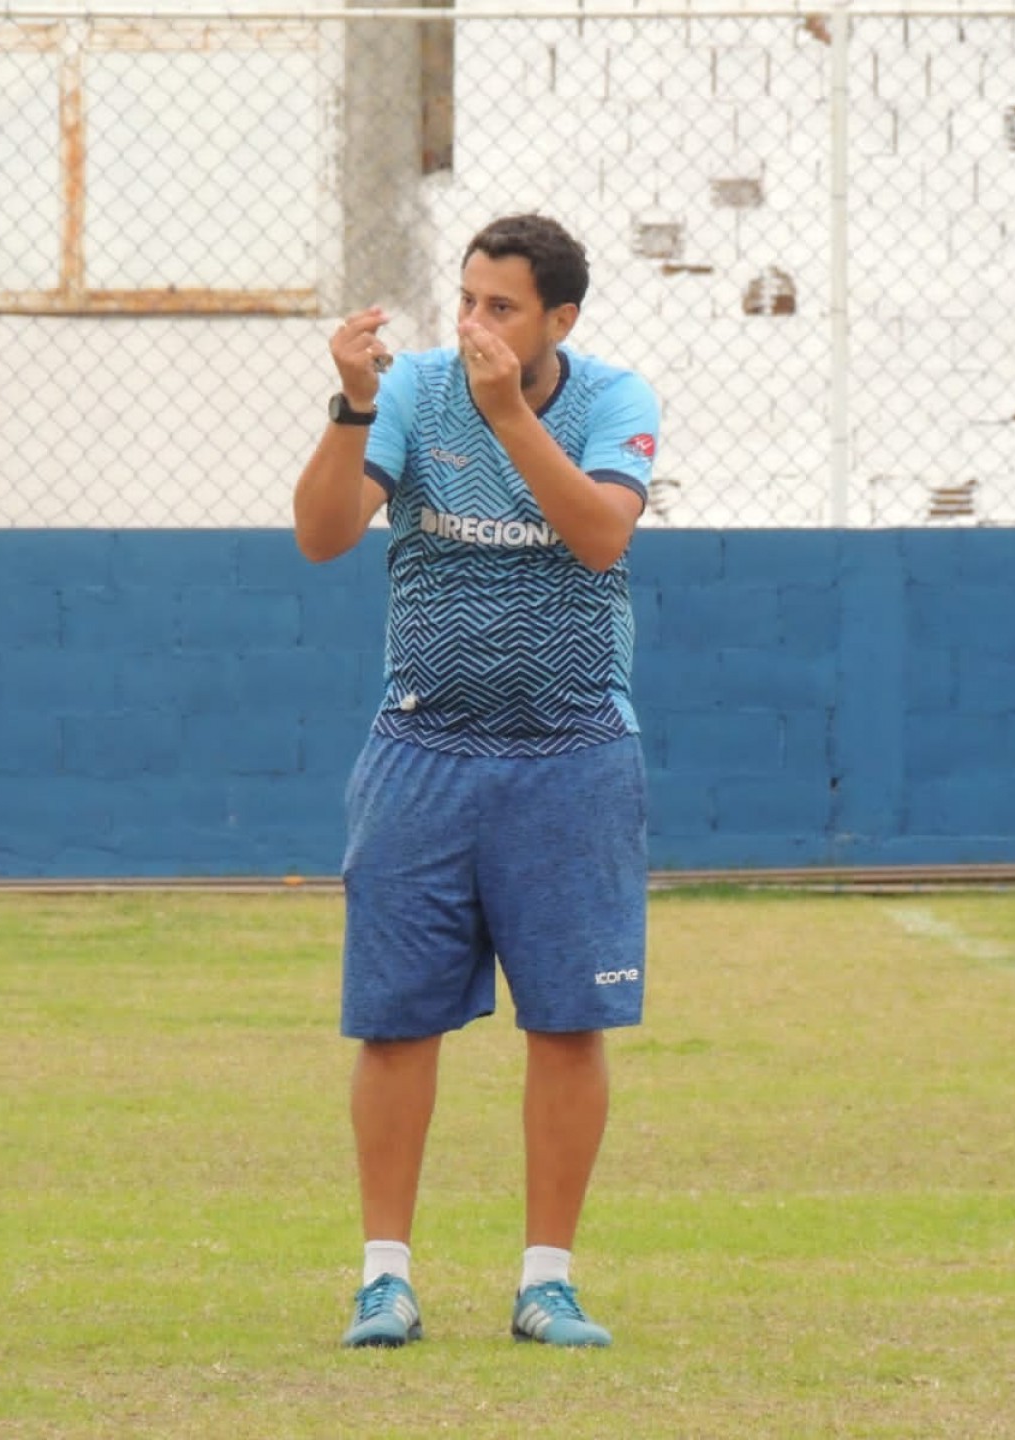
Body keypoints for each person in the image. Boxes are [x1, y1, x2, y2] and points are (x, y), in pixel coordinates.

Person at [292, 214, 659, 1349]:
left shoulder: (614, 399)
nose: (474, 327)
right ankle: (383, 1278)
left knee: (567, 1024)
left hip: (573, 752)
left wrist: (509, 418)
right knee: (396, 1026)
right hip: (422, 754)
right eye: (465, 301)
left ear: (561, 319)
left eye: (501, 308)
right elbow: (320, 535)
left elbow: (601, 536)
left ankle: (546, 1280)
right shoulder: (415, 395)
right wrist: (353, 404)